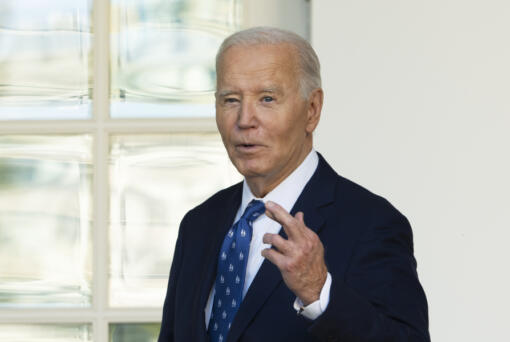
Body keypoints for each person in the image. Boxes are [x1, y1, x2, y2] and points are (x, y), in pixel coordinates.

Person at [158, 27, 430, 342]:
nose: (245, 119)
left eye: (267, 98)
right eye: (230, 99)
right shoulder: (199, 224)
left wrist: (319, 292)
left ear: (312, 110)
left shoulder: (371, 223)